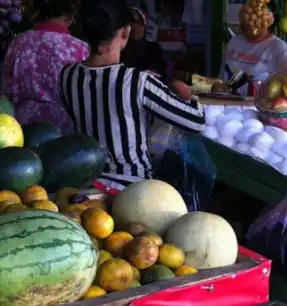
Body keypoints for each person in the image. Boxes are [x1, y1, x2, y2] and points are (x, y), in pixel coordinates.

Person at [59, 0, 206, 192]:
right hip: (132, 189)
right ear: (125, 33)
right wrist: (186, 94)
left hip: (88, 184)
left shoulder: (67, 75)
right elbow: (196, 122)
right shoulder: (137, 81)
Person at [3, 0, 88, 133]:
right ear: (70, 15)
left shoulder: (18, 43)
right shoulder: (80, 49)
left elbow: (7, 91)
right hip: (66, 134)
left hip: (21, 130)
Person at [220, 2, 287, 95]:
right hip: (223, 104)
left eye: (256, 22)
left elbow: (286, 85)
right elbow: (221, 77)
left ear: (268, 22)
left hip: (255, 107)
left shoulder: (280, 48)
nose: (250, 25)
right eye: (247, 20)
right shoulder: (234, 42)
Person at [120, 7, 169, 82]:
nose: (134, 26)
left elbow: (159, 74)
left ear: (144, 24)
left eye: (138, 22)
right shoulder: (119, 51)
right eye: (130, 22)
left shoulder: (153, 48)